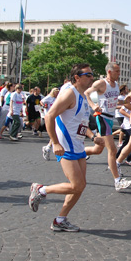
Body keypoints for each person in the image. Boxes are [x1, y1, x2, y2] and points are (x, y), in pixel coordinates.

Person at [28, 63, 104, 232]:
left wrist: (93, 137)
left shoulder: (83, 96)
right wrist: (54, 142)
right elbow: (49, 116)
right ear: (77, 77)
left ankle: (60, 219)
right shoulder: (69, 93)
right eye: (88, 75)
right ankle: (41, 189)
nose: (92, 77)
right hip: (66, 145)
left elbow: (82, 123)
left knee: (80, 185)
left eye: (92, 74)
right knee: (77, 185)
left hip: (78, 145)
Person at [84, 62, 131, 191]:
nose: (119, 73)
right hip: (102, 117)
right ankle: (117, 181)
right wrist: (94, 106)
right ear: (109, 72)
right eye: (117, 71)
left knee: (98, 149)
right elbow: (87, 93)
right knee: (112, 150)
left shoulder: (116, 85)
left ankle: (77, 152)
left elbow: (114, 101)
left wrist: (125, 102)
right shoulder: (101, 83)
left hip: (110, 118)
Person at [40, 87, 60, 160]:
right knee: (54, 133)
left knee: (56, 133)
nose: (57, 94)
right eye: (56, 93)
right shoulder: (48, 98)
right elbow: (41, 102)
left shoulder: (57, 99)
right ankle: (48, 147)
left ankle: (48, 147)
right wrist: (44, 106)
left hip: (56, 117)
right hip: (49, 117)